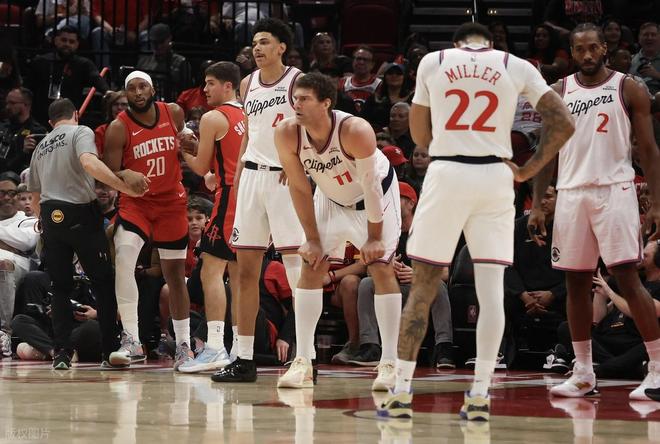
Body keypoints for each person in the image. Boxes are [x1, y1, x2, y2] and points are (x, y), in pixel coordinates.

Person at [378, 22, 574, 421]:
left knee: (422, 288)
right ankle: (481, 394)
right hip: (495, 177)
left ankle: (400, 392)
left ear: (457, 43)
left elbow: (419, 134)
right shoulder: (516, 64)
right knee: (490, 291)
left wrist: (448, 140)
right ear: (490, 43)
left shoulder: (435, 61)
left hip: (448, 172)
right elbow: (564, 123)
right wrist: (528, 169)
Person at [529, 23, 660, 401]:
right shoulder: (557, 92)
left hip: (614, 190)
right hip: (571, 194)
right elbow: (546, 154)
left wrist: (657, 203)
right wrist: (537, 205)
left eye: (593, 48)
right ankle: (583, 371)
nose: (586, 55)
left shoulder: (628, 87)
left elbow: (649, 149)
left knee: (627, 277)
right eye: (579, 49)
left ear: (605, 48)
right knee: (576, 282)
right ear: (571, 53)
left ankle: (656, 369)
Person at [274, 72, 402, 390]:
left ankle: (390, 362)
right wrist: (312, 239)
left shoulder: (355, 130)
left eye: (304, 99)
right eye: (295, 98)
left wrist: (374, 237)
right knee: (310, 265)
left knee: (381, 268)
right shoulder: (287, 133)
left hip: (373, 199)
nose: (296, 104)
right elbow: (299, 188)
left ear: (326, 103)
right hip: (330, 199)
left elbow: (371, 187)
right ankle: (303, 361)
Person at [211, 18, 304, 383]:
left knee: (296, 272)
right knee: (245, 272)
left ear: (282, 47)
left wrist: (298, 165)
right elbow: (250, 134)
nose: (257, 48)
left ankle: (305, 357)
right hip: (251, 177)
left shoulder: (297, 81)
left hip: (284, 178)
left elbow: (313, 129)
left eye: (265, 42)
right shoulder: (248, 83)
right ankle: (244, 357)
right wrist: (237, 176)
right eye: (254, 43)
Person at [27, 98, 147, 369]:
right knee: (103, 282)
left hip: (50, 216)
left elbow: (34, 196)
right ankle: (109, 351)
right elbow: (90, 164)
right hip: (80, 213)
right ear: (76, 115)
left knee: (59, 287)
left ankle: (61, 353)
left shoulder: (40, 147)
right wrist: (122, 187)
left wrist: (44, 222)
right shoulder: (81, 132)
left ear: (50, 122)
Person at [103, 71, 194, 370]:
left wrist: (191, 142)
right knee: (124, 256)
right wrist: (124, 173)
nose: (138, 92)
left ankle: (184, 344)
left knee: (175, 274)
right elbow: (108, 172)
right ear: (126, 93)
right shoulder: (119, 128)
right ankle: (131, 340)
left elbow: (187, 141)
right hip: (136, 203)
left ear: (153, 89)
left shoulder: (173, 112)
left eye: (143, 86)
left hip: (170, 201)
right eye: (132, 88)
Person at [177, 61, 244, 372]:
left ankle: (215, 346)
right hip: (249, 197)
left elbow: (201, 167)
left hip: (229, 199)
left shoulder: (213, 117)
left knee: (211, 270)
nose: (204, 89)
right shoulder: (247, 114)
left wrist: (183, 150)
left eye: (210, 83)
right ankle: (241, 349)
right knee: (241, 277)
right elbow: (218, 167)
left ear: (228, 86)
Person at [26, 26, 108, 125]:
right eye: (64, 40)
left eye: (71, 42)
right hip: (40, 116)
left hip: (69, 118)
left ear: (77, 45)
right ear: (56, 41)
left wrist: (107, 91)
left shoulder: (83, 64)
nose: (67, 44)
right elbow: (27, 88)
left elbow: (96, 78)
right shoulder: (40, 61)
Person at [0, 175, 39, 356]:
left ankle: (4, 332)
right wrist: (8, 242)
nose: (7, 197)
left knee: (3, 264)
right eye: (1, 193)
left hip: (18, 266)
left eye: (11, 193)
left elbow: (26, 242)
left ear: (17, 196)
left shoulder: (28, 220)